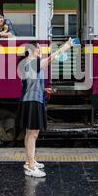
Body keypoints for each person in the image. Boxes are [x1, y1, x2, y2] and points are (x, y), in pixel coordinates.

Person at [17, 37, 74, 178]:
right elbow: (50, 60)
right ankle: (30, 167)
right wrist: (65, 47)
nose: (40, 50)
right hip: (32, 101)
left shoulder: (28, 63)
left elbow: (30, 83)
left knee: (30, 133)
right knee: (32, 134)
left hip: (32, 99)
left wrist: (43, 89)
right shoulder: (31, 62)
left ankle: (29, 161)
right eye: (38, 48)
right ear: (30, 50)